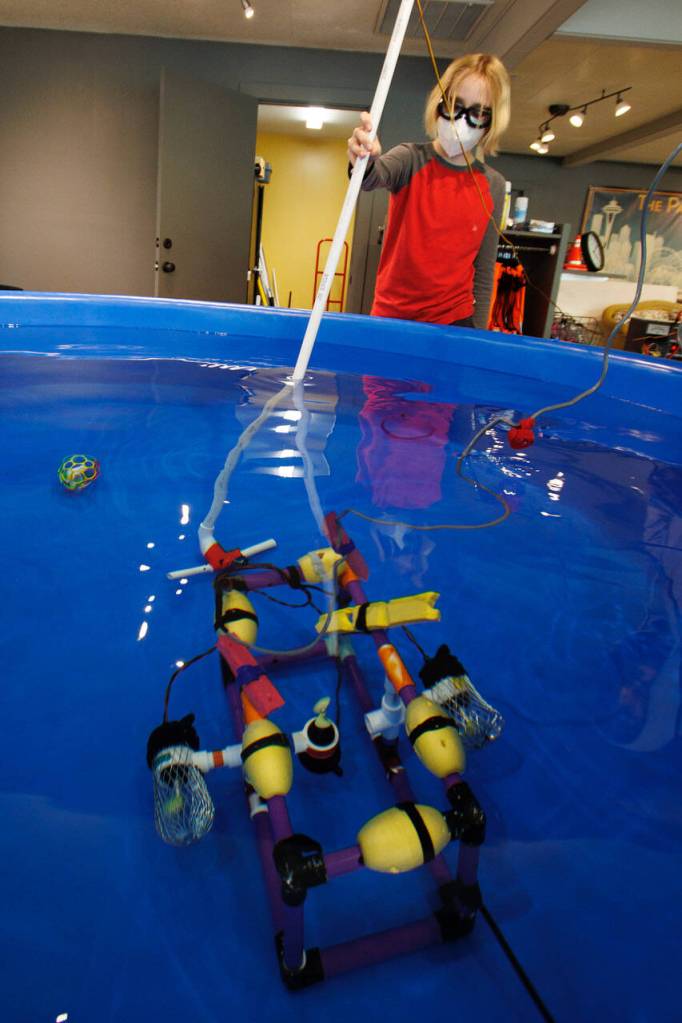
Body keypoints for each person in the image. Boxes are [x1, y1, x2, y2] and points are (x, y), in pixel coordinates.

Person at [347, 53, 510, 330]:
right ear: (439, 104)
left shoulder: (492, 185)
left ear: (492, 121)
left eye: (478, 112)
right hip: (392, 319)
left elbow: (483, 273)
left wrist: (477, 342)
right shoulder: (410, 159)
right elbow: (372, 177)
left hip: (454, 324)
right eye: (454, 105)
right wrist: (363, 158)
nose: (461, 121)